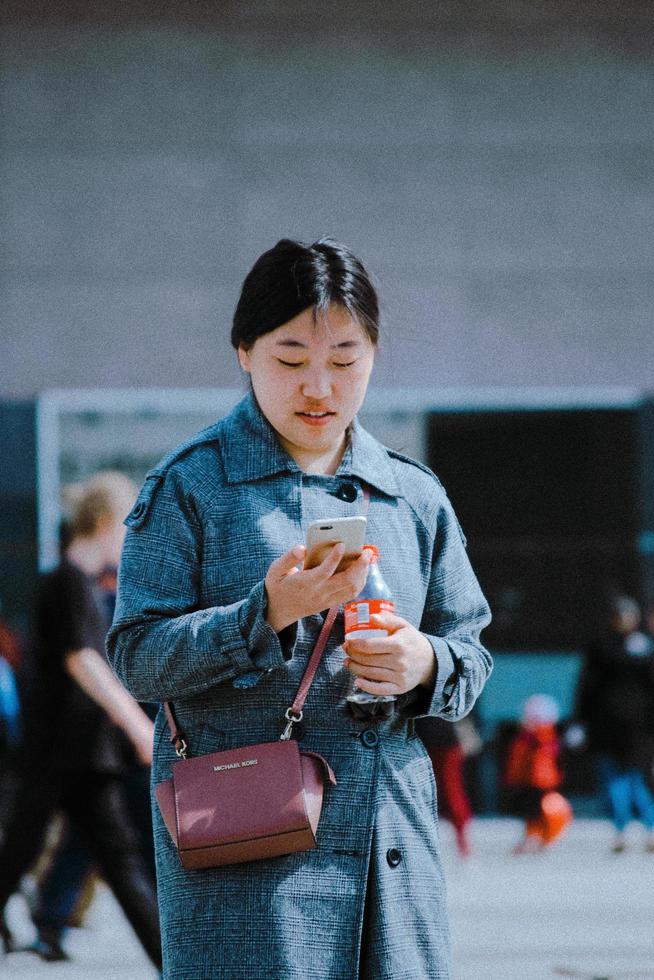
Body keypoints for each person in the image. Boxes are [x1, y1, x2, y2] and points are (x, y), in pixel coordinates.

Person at [107, 237, 493, 980]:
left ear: (375, 356)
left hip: (394, 852)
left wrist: (425, 662)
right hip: (252, 854)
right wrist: (264, 614)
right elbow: (137, 657)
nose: (319, 387)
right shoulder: (190, 487)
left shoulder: (413, 495)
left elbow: (469, 651)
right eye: (290, 360)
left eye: (345, 360)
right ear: (243, 353)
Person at [0, 472, 162, 969]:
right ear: (109, 522)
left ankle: (174, 965)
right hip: (55, 753)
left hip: (84, 757)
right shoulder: (65, 581)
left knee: (121, 859)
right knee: (18, 859)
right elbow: (82, 660)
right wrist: (137, 725)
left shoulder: (83, 585)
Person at [576, 594, 654, 853]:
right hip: (609, 727)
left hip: (635, 729)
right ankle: (624, 829)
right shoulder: (603, 647)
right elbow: (586, 688)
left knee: (633, 780)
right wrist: (580, 721)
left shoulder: (643, 648)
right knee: (619, 782)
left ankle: (645, 828)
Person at [503, 694, 572, 854]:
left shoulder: (542, 738)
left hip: (540, 781)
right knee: (531, 812)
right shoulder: (528, 738)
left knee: (537, 812)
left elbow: (546, 761)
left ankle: (539, 838)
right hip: (533, 780)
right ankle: (535, 837)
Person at [416, 716, 480, 857]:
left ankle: (462, 838)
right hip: (426, 740)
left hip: (444, 741)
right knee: (427, 792)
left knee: (451, 790)